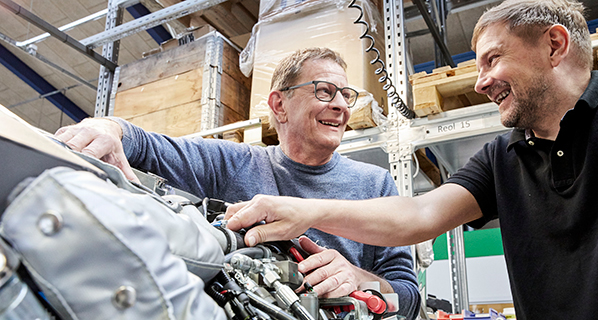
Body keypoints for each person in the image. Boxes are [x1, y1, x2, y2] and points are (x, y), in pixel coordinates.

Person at [224, 0, 598, 319]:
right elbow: (420, 216)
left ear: (554, 45)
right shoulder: (503, 157)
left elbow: (402, 292)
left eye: (492, 59)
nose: (480, 82)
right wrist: (305, 211)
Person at [55, 48, 420, 319]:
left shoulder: (376, 184)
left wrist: (359, 279)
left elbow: (409, 294)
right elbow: (147, 144)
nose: (341, 105)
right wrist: (104, 129)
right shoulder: (233, 163)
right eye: (325, 91)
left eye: (346, 95)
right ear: (279, 105)